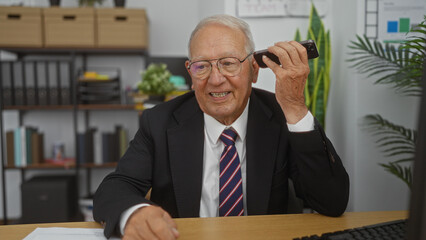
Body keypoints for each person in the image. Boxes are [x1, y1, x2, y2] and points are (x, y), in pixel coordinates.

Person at [93, 14, 350, 240]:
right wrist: (135, 214)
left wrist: (294, 107)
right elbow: (113, 189)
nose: (216, 80)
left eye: (228, 63)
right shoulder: (159, 121)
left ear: (254, 69)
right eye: (202, 66)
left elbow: (332, 201)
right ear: (190, 74)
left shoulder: (282, 116)